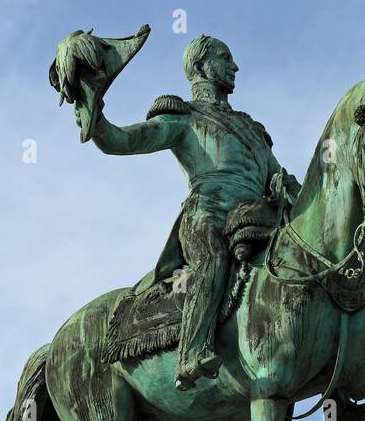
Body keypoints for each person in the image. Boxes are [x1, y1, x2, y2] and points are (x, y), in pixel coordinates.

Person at [80, 35, 300, 389]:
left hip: (255, 217)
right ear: (200, 67)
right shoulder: (184, 116)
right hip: (207, 214)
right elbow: (123, 141)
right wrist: (94, 113)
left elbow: (282, 179)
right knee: (212, 261)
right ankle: (191, 352)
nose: (235, 66)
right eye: (225, 58)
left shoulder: (253, 130)